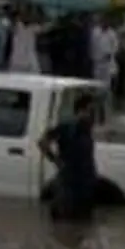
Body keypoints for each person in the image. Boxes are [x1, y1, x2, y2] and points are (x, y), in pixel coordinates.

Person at [38, 93, 99, 222]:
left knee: (82, 227)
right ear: (80, 111)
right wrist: (56, 160)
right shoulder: (68, 127)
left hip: (84, 185)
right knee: (64, 226)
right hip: (68, 187)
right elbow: (42, 142)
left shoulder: (87, 130)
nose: (93, 116)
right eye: (91, 112)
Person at [7, 3, 42, 73]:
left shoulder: (34, 27)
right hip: (17, 59)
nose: (27, 16)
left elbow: (45, 27)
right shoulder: (16, 26)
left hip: (30, 60)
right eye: (24, 14)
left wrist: (39, 13)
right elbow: (10, 21)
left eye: (29, 15)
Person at [90, 11, 119, 92]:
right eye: (103, 20)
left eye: (107, 21)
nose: (105, 22)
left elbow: (116, 47)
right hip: (97, 61)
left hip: (107, 63)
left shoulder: (112, 33)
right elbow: (92, 45)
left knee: (106, 83)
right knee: (96, 81)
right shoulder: (95, 32)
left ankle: (105, 97)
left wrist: (111, 53)